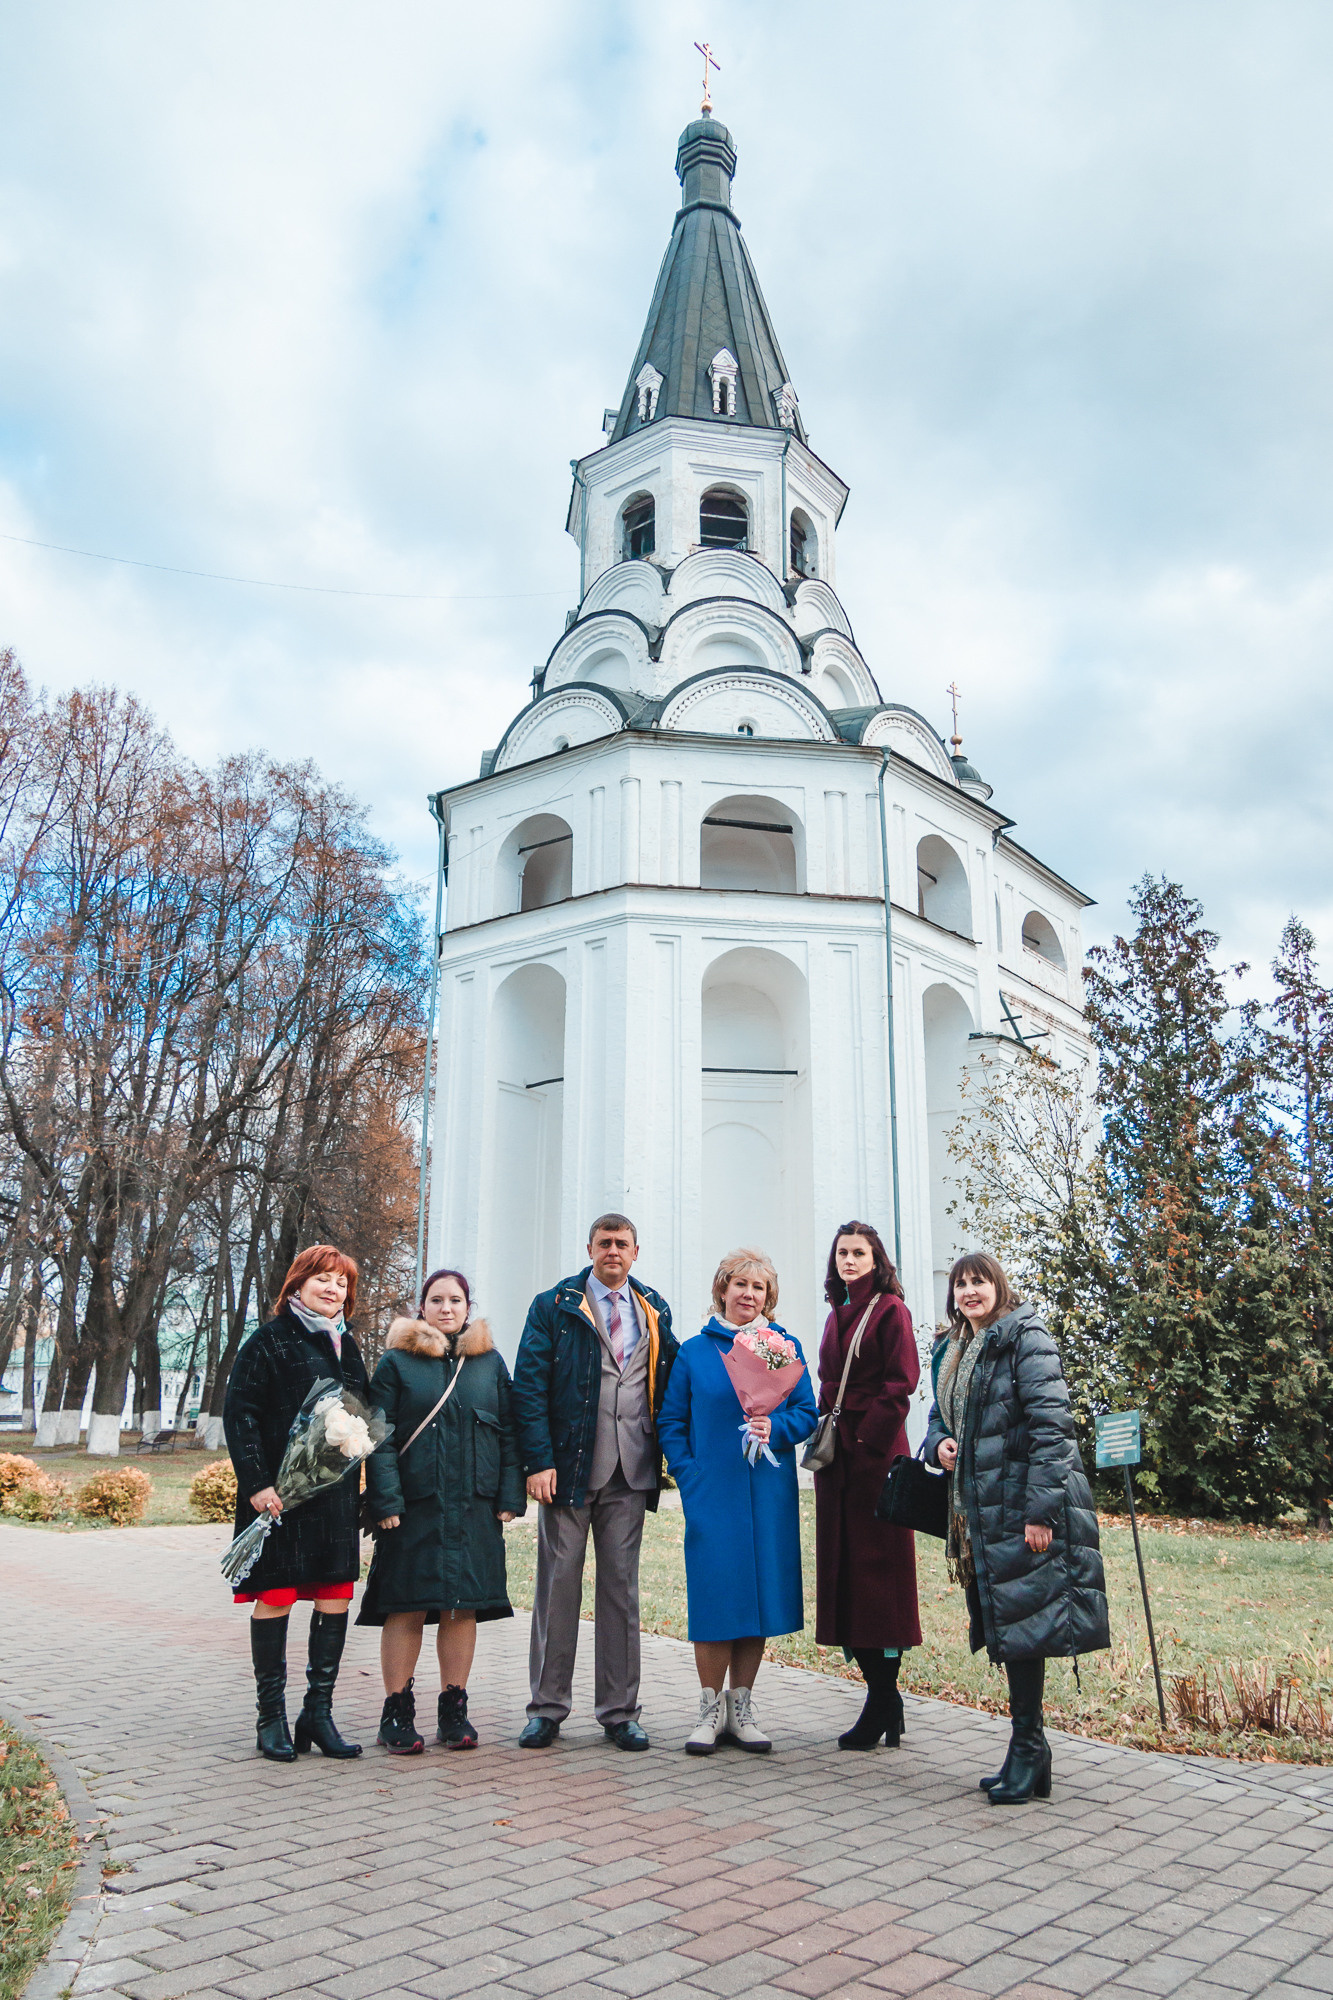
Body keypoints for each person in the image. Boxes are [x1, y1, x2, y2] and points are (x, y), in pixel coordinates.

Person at [925, 1251, 1111, 1804]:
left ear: (998, 1287)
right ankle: (1028, 1749)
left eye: (979, 1282)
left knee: (1025, 1625)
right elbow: (939, 1415)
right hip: (979, 1509)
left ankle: (1030, 1749)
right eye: (960, 1285)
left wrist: (1041, 1513)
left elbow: (1052, 1429)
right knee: (1010, 1623)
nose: (968, 1292)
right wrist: (940, 1444)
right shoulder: (952, 1346)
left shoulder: (1024, 1337)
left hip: (1020, 1507)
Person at [511, 1213, 679, 1750]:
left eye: (622, 1244)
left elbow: (672, 1384)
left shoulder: (654, 1309)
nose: (613, 1251)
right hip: (569, 1469)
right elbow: (529, 1388)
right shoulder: (553, 1306)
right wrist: (537, 1461)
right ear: (589, 1248)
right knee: (557, 1588)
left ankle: (619, 1712)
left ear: (635, 1252)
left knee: (621, 1593)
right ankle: (546, 1707)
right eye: (604, 1243)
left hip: (631, 1471)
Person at [657, 1248, 819, 1757]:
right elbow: (670, 1422)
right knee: (716, 1592)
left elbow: (807, 1412)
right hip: (714, 1491)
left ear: (769, 1297)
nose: (749, 1295)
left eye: (759, 1288)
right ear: (721, 1290)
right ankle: (709, 1709)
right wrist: (689, 1475)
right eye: (740, 1285)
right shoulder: (695, 1352)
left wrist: (778, 1428)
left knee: (759, 1596)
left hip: (767, 1491)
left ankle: (742, 1707)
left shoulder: (782, 1346)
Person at [358, 1268, 526, 1754]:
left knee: (461, 1606)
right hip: (414, 1508)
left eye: (455, 1300)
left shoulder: (489, 1363)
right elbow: (377, 1434)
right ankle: (396, 1709)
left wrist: (509, 1497)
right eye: (437, 1300)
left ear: (467, 1307)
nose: (447, 1308)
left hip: (474, 1507)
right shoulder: (396, 1363)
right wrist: (385, 1499)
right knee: (405, 1605)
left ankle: (454, 1708)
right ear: (422, 1308)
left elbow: (510, 1431)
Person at [223, 1244, 371, 1763]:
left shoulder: (345, 1346)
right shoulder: (268, 1340)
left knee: (334, 1595)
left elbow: (362, 1414)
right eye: (323, 1279)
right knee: (278, 1594)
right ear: (297, 1284)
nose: (333, 1289)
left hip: (330, 1496)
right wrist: (258, 1483)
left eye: (341, 1283)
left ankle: (318, 1712)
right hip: (278, 1497)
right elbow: (239, 1414)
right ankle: (271, 1717)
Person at [813, 1221, 922, 1750]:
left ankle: (881, 1700)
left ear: (877, 1260)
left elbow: (901, 1384)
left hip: (874, 1459)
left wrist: (866, 1441)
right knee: (846, 1581)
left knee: (881, 1584)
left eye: (859, 1252)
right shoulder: (837, 1311)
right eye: (842, 1253)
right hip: (839, 1464)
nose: (849, 1260)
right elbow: (827, 1380)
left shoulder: (890, 1310)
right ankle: (886, 1700)